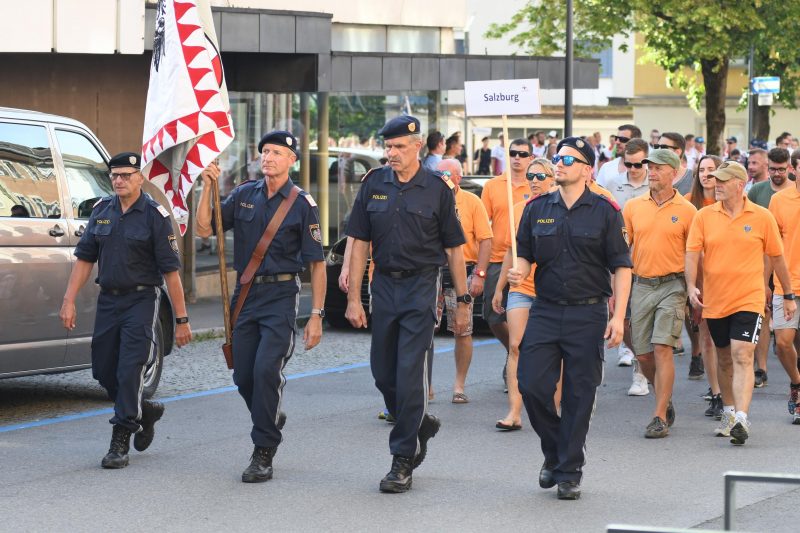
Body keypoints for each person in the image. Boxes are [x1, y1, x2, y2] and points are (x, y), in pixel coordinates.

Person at [345, 115, 468, 493]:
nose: (391, 153)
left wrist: (462, 300)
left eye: (399, 146)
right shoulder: (374, 184)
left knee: (410, 370)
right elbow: (359, 242)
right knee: (383, 371)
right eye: (388, 146)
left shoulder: (437, 189)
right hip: (384, 285)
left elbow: (454, 250)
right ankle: (418, 423)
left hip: (421, 286)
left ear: (417, 147)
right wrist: (353, 298)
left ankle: (402, 458)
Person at [195, 131, 326, 482]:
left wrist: (316, 315)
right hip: (245, 295)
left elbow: (317, 264)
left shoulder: (302, 204)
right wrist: (207, 187)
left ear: (292, 160)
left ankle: (263, 450)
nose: (268, 157)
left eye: (277, 152)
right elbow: (205, 229)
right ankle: (268, 415)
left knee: (267, 370)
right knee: (242, 375)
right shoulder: (244, 195)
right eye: (265, 151)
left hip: (281, 297)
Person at [511, 137, 632, 500]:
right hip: (546, 309)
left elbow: (622, 267)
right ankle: (555, 450)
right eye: (556, 158)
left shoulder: (605, 211)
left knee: (579, 394)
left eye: (567, 159)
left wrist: (618, 317)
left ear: (586, 170)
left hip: (587, 311)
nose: (558, 164)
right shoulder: (536, 208)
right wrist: (519, 271)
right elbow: (525, 254)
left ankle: (569, 470)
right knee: (531, 385)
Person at [59, 152, 192, 469]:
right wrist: (68, 300)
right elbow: (85, 258)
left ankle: (121, 437)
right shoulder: (102, 210)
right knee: (104, 369)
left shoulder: (155, 216)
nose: (118, 180)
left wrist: (182, 319)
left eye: (126, 175)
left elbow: (171, 272)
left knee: (130, 367)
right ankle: (145, 410)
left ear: (139, 178)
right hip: (109, 300)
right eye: (114, 175)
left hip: (141, 300)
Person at [686, 161, 796, 445]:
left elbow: (777, 257)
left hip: (749, 298)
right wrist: (690, 286)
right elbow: (692, 254)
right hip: (715, 300)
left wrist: (787, 294)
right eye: (715, 180)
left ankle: (742, 418)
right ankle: (729, 411)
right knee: (724, 358)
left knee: (743, 354)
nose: (717, 184)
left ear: (740, 184)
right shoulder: (704, 216)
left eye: (722, 180)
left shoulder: (761, 216)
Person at [623, 149, 697, 438]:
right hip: (641, 284)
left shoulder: (688, 211)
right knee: (643, 355)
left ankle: (659, 416)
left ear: (674, 172)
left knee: (662, 347)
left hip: (673, 286)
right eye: (649, 167)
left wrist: (695, 291)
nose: (650, 172)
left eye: (657, 168)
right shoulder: (632, 207)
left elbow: (694, 256)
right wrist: (616, 290)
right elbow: (622, 251)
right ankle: (664, 398)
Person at [492, 158, 557, 431]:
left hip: (552, 290)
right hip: (522, 288)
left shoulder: (561, 207)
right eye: (531, 176)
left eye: (541, 176)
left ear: (553, 178)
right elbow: (511, 251)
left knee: (555, 350)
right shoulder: (519, 209)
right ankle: (514, 412)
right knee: (516, 346)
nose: (534, 181)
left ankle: (555, 410)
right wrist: (500, 288)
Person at [436, 159, 493, 403]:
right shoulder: (428, 198)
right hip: (431, 271)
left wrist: (479, 274)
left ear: (458, 177)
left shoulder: (472, 201)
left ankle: (459, 385)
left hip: (463, 271)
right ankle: (424, 384)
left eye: (446, 174)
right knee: (423, 330)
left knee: (463, 330)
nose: (441, 178)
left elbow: (486, 240)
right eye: (437, 173)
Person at [481, 139, 535, 384]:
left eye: (523, 154)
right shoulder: (492, 186)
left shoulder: (536, 183)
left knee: (526, 313)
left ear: (530, 158)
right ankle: (514, 350)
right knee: (492, 316)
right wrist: (479, 267)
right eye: (513, 153)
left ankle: (517, 356)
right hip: (497, 258)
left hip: (528, 259)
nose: (517, 158)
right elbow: (483, 226)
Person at [605, 138, 651, 394]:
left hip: (647, 261)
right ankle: (637, 356)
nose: (633, 169)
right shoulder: (613, 185)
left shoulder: (653, 184)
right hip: (619, 261)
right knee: (624, 318)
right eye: (628, 164)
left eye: (638, 164)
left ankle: (641, 371)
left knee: (642, 320)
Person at [748, 147, 793, 387]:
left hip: (789, 263)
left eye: (781, 169)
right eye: (773, 169)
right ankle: (761, 368)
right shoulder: (758, 191)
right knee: (763, 313)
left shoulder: (793, 191)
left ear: (789, 168)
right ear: (767, 167)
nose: (777, 174)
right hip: (761, 260)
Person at [686, 154, 724, 418]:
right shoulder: (688, 203)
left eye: (711, 169)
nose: (706, 174)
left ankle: (730, 389)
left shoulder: (731, 202)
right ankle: (717, 393)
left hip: (727, 280)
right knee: (707, 338)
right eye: (701, 169)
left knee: (727, 343)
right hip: (699, 281)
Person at [766, 147, 800, 424]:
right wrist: (763, 282)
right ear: (794, 169)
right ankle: (797, 383)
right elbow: (770, 248)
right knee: (782, 343)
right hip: (787, 285)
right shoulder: (779, 200)